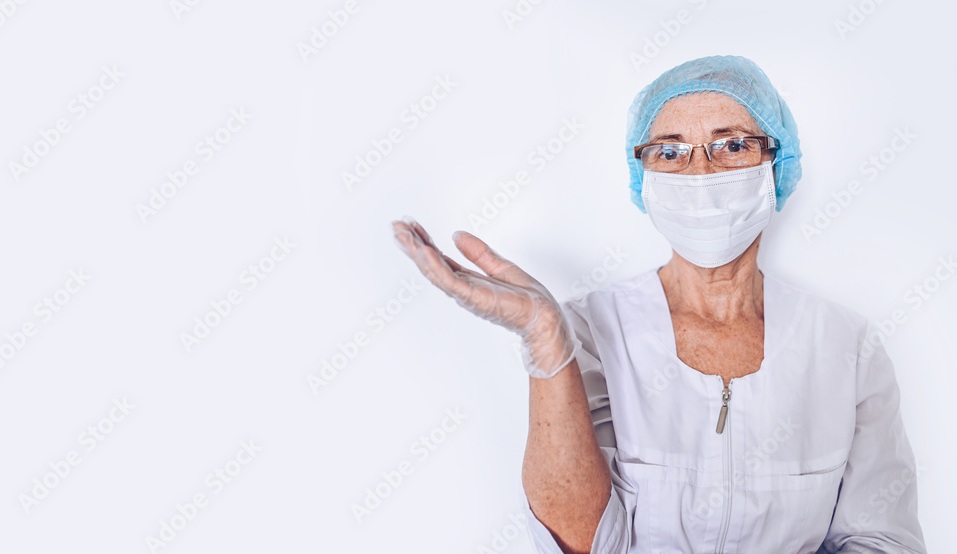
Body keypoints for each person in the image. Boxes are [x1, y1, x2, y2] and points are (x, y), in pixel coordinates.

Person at [390, 55, 925, 553]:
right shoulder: (590, 332)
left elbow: (883, 541)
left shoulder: (846, 348)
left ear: (775, 161)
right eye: (670, 152)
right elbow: (586, 543)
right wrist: (545, 336)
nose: (702, 175)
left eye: (732, 145)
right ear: (642, 176)